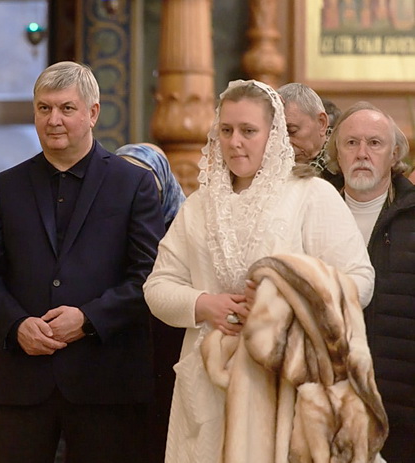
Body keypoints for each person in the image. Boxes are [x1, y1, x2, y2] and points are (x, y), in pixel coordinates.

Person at [143, 79, 376, 462]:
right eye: (227, 130)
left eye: (248, 131)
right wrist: (204, 304)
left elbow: (360, 280)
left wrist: (282, 299)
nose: (235, 142)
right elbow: (158, 286)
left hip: (286, 386)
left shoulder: (310, 194)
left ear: (274, 134)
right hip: (207, 388)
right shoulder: (198, 206)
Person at [0, 61, 165, 463]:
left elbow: (149, 276)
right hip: (22, 381)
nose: (53, 119)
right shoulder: (6, 186)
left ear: (93, 113)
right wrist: (16, 325)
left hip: (106, 382)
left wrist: (88, 319)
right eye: (44, 108)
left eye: (66, 108)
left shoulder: (133, 183)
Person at [326, 101, 415, 461]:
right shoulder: (312, 212)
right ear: (336, 153)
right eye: (351, 143)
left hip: (401, 413)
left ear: (394, 154)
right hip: (326, 408)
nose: (362, 153)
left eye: (375, 143)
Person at [115, 142, 185, 463]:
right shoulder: (100, 235)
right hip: (115, 365)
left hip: (168, 359)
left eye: (147, 188)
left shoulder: (185, 233)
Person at [277, 83, 343, 188]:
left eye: (292, 131)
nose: (284, 143)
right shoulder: (268, 169)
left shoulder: (345, 163)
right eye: (277, 133)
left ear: (322, 123)